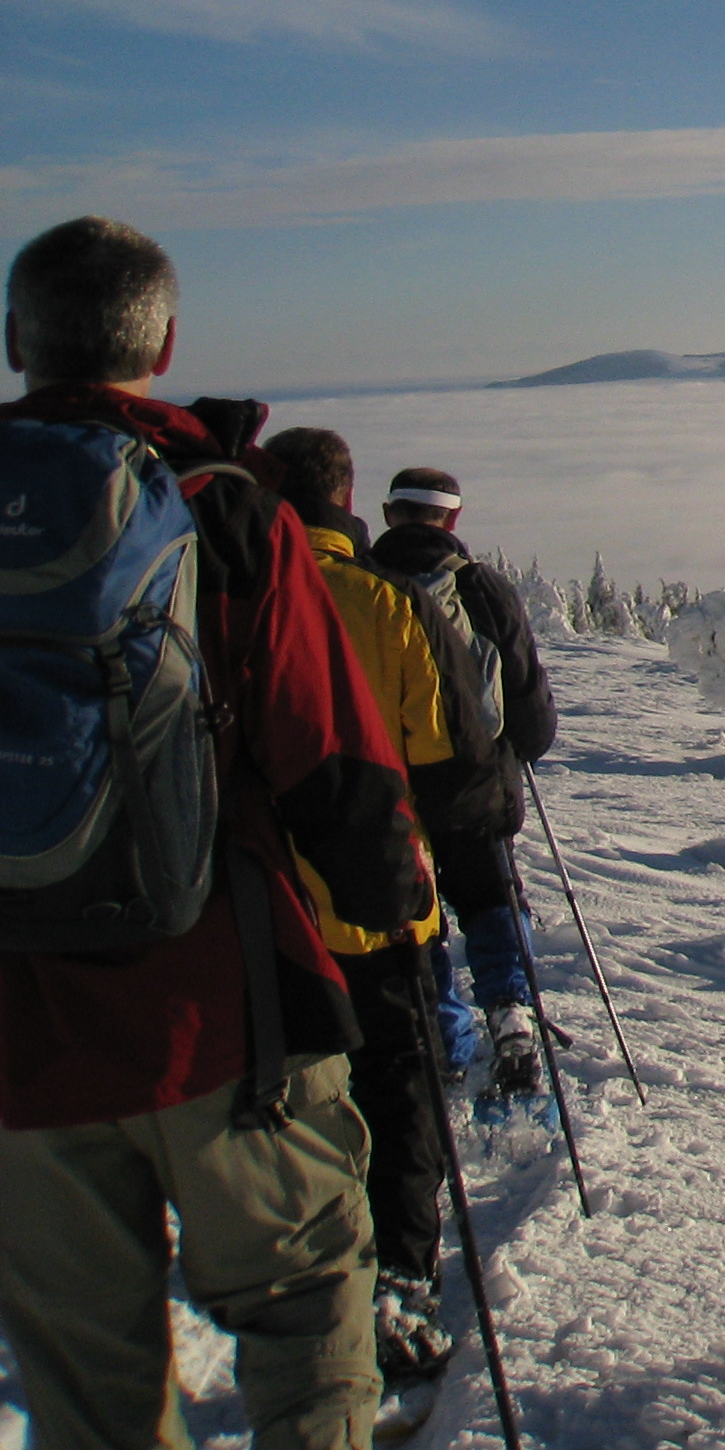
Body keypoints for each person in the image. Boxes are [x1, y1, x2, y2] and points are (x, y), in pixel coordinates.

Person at [0, 218, 431, 1450]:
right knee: (305, 1316)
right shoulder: (220, 511)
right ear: (167, 343)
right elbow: (335, 764)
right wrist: (399, 919)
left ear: (18, 341)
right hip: (219, 1015)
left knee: (90, 1388)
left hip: (19, 1055)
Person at [257, 428, 472, 1388]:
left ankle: (299, 1276)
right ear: (349, 499)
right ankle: (401, 1274)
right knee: (400, 1080)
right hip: (384, 896)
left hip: (263, 903)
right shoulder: (387, 603)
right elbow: (434, 748)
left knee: (291, 1090)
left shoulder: (229, 592)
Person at [368, 468, 557, 1115]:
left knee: (416, 911)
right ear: (452, 520)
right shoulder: (480, 588)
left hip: (390, 786)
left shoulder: (363, 586)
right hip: (475, 782)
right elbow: (529, 702)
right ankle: (511, 1015)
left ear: (391, 514)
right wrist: (514, 753)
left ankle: (442, 1036)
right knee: (490, 895)